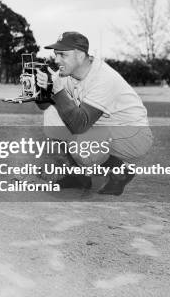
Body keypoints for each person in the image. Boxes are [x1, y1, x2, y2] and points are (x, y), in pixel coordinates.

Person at [34, 31, 153, 196]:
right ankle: (78, 177)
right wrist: (42, 89)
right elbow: (45, 106)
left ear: (81, 55)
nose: (56, 60)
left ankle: (120, 171)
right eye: (56, 54)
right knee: (54, 116)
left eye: (63, 55)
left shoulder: (104, 78)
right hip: (106, 127)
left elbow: (80, 124)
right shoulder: (67, 73)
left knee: (81, 142)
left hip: (134, 135)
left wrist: (57, 90)